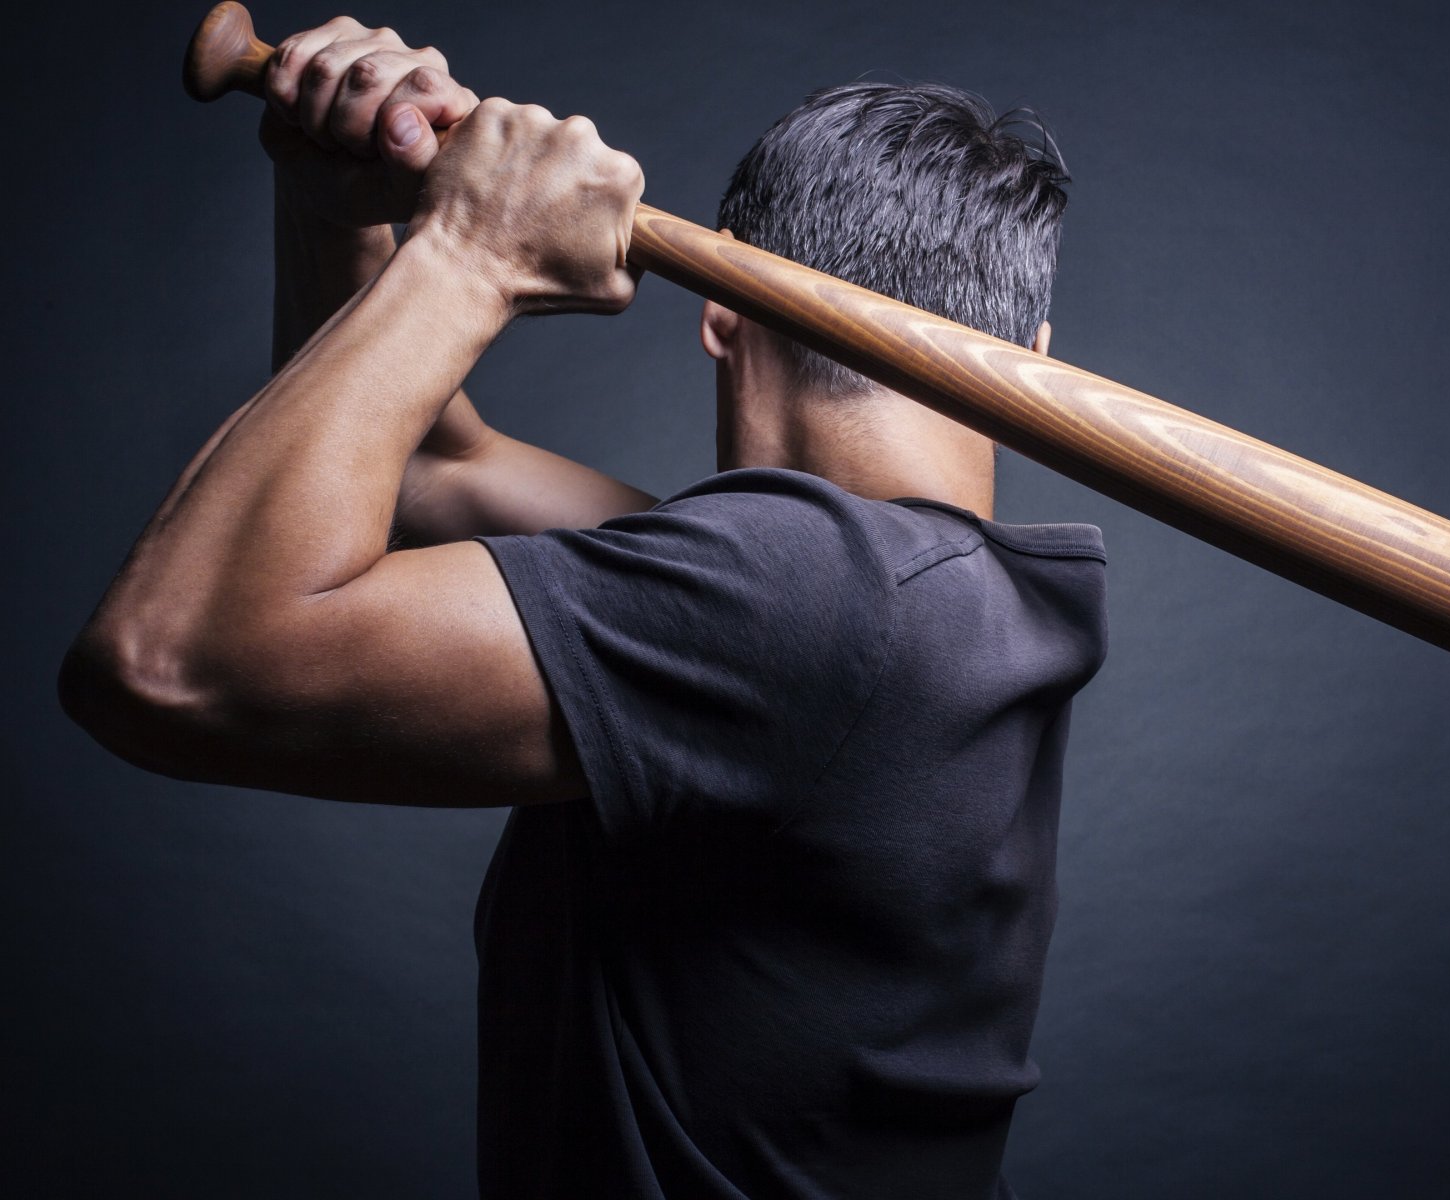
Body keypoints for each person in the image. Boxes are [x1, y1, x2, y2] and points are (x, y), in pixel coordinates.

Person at [59, 15, 1104, 1199]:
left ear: (720, 307)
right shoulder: (935, 603)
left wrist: (465, 259)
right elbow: (418, 472)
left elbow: (167, 660)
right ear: (1036, 356)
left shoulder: (803, 594)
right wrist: (345, 212)